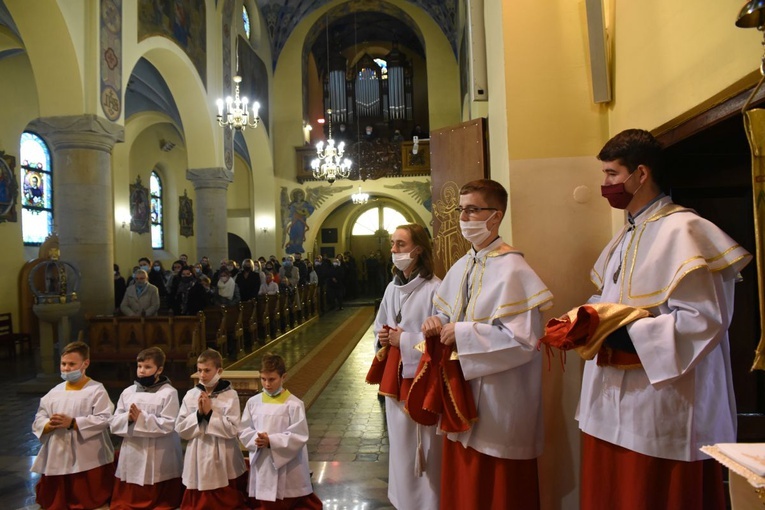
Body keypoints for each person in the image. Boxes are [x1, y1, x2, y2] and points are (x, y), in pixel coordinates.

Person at [576, 129, 752, 510]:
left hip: (662, 401)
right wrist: (584, 319)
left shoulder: (685, 230)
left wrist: (626, 335)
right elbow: (608, 297)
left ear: (641, 173)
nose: (605, 185)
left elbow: (703, 320)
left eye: (611, 174)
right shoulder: (626, 235)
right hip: (612, 397)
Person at [421, 179, 553, 509]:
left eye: (472, 210)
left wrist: (463, 334)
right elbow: (444, 309)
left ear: (495, 216)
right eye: (461, 210)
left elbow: (524, 342)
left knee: (498, 490)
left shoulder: (513, 270)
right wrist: (434, 321)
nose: (464, 218)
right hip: (461, 393)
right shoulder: (463, 264)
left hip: (499, 399)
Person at [375, 224, 442, 510]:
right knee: (400, 448)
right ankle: (403, 502)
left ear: (419, 249)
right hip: (396, 378)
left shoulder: (435, 289)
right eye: (392, 244)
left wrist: (405, 341)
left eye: (400, 244)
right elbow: (380, 325)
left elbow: (439, 344)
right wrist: (382, 337)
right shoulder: (392, 287)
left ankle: (428, 503)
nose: (393, 250)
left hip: (422, 381)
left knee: (424, 447)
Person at [31, 341, 115, 510]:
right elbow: (40, 415)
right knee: (56, 499)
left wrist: (74, 423)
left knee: (84, 493)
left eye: (71, 364)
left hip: (86, 448)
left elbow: (105, 418)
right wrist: (48, 424)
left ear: (86, 363)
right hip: (58, 446)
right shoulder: (55, 391)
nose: (66, 368)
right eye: (63, 364)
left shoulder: (96, 390)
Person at [239, 353, 322, 509]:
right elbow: (244, 429)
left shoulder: (294, 404)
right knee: (265, 502)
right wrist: (255, 440)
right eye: (263, 379)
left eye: (272, 379)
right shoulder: (253, 402)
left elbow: (299, 435)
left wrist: (272, 441)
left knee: (285, 499)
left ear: (283, 377)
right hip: (262, 458)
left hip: (288, 464)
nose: (267, 384)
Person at [110, 347, 183, 510]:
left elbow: (169, 423)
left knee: (158, 486)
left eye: (147, 367)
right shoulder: (128, 392)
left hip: (159, 450)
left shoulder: (169, 393)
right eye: (139, 366)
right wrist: (127, 418)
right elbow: (114, 421)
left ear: (160, 369)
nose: (142, 371)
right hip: (134, 448)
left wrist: (141, 418)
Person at [175, 349, 247, 509]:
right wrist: (199, 414)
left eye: (207, 370)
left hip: (222, 452)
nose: (202, 375)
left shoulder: (231, 395)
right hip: (198, 449)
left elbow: (233, 429)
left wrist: (209, 414)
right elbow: (180, 428)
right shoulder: (190, 395)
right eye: (199, 370)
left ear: (219, 371)